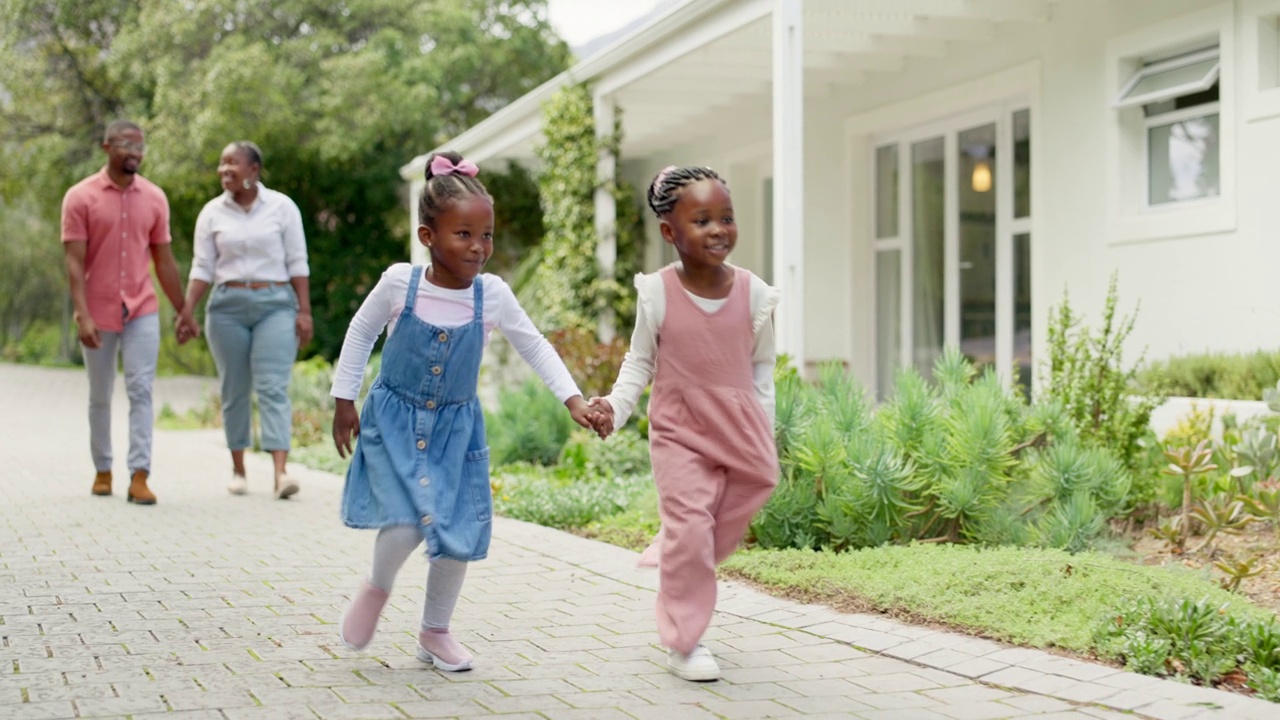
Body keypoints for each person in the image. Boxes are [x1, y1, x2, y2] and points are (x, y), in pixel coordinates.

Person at [331, 152, 597, 670]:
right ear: (428, 237)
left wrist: (575, 399)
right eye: (464, 235)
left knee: (456, 530)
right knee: (408, 521)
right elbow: (360, 332)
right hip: (394, 418)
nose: (479, 248)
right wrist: (344, 400)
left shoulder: (491, 295)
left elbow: (535, 345)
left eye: (487, 236)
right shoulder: (399, 283)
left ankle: (435, 631)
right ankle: (377, 588)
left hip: (455, 427)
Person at [588, 165, 780, 682]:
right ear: (669, 232)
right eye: (702, 220)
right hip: (678, 430)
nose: (719, 229)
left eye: (726, 218)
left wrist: (766, 424)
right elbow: (639, 362)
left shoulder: (755, 294)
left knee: (760, 482)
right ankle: (685, 638)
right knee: (692, 525)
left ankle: (679, 552)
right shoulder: (656, 293)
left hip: (737, 427)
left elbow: (762, 365)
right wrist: (615, 405)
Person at [176, 141, 312, 499]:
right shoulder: (211, 213)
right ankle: (238, 470)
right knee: (234, 389)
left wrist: (305, 310)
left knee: (272, 386)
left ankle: (280, 474)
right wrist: (187, 309)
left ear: (253, 169)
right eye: (221, 164)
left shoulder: (282, 208)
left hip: (276, 305)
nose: (224, 170)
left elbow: (298, 262)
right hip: (226, 306)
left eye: (232, 164)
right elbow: (202, 266)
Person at [61, 120, 187, 505]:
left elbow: (164, 262)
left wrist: (184, 311)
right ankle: (102, 469)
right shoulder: (80, 197)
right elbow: (73, 262)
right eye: (125, 144)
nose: (134, 152)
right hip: (97, 310)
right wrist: (81, 314)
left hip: (142, 309)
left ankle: (140, 475)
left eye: (140, 146)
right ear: (106, 147)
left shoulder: (154, 198)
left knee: (141, 389)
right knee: (100, 394)